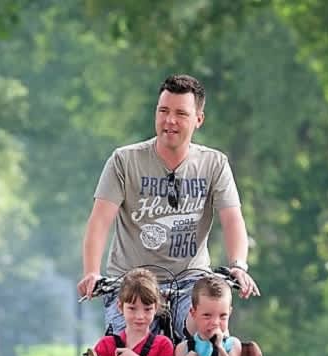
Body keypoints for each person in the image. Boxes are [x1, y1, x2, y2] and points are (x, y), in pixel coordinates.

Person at [77, 73, 260, 340]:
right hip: (132, 282)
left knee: (207, 334)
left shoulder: (214, 164)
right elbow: (100, 221)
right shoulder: (125, 161)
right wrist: (92, 272)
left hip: (190, 282)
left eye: (180, 114)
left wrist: (238, 266)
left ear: (198, 119)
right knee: (132, 354)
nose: (169, 121)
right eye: (163, 111)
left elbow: (232, 219)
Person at [174, 275, 243, 356]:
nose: (215, 322)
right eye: (207, 315)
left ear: (230, 313)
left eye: (222, 316)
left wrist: (220, 348)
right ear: (193, 313)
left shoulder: (232, 344)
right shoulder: (183, 348)